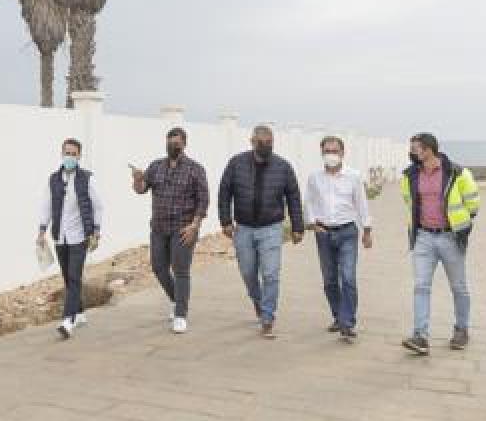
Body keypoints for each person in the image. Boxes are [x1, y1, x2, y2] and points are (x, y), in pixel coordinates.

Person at [218, 125, 306, 338]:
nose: (267, 146)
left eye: (270, 143)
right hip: (244, 229)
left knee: (271, 274)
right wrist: (226, 221)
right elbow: (224, 192)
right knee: (248, 272)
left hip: (271, 229)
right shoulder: (236, 163)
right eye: (262, 143)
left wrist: (297, 227)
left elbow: (293, 197)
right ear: (252, 142)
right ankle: (259, 302)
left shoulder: (283, 167)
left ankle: (267, 316)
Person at [400, 133, 480, 356]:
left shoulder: (457, 173)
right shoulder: (410, 175)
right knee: (421, 286)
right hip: (423, 237)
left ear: (428, 150)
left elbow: (473, 204)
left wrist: (460, 225)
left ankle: (462, 329)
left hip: (450, 238)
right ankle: (420, 336)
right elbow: (409, 201)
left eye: (415, 148)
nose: (412, 152)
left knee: (459, 287)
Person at [132, 127, 210, 334]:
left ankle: (180, 315)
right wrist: (137, 179)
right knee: (158, 268)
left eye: (176, 143)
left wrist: (195, 225)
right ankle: (178, 300)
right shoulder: (156, 166)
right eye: (169, 142)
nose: (173, 146)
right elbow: (141, 189)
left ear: (184, 144)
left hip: (183, 228)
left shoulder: (195, 169)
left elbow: (203, 201)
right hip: (158, 228)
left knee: (181, 270)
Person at [304, 136, 373, 342]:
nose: (331, 155)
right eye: (327, 151)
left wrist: (367, 230)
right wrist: (312, 224)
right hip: (324, 233)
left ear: (342, 153)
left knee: (348, 277)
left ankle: (348, 322)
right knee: (330, 280)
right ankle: (338, 316)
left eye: (335, 151)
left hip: (347, 232)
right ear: (322, 153)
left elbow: (361, 204)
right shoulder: (315, 177)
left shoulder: (353, 176)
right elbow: (308, 202)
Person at [37, 138, 104, 340]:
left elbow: (98, 206)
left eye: (74, 154)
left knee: (74, 276)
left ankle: (67, 321)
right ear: (62, 153)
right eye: (67, 152)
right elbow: (47, 205)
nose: (70, 157)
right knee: (68, 277)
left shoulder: (87, 179)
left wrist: (96, 229)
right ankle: (80, 312)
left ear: (79, 156)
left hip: (80, 236)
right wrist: (42, 229)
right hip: (60, 237)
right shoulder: (54, 179)